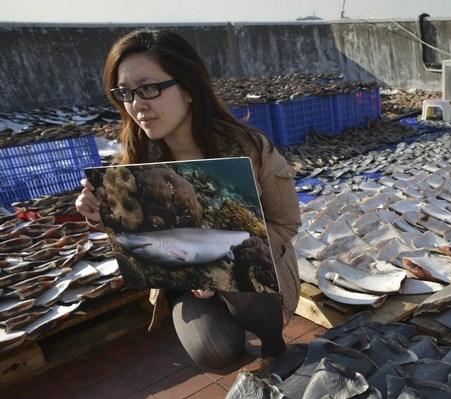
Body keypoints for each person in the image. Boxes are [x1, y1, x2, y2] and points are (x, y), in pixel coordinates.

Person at [76, 29, 301, 371]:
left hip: (256, 270)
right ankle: (230, 330)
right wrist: (97, 214)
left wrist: (226, 255)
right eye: (125, 93)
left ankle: (273, 343)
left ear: (189, 88)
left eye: (149, 88)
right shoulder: (134, 163)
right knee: (213, 353)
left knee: (245, 287)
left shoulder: (249, 149)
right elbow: (137, 246)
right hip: (185, 281)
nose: (137, 105)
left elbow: (286, 224)